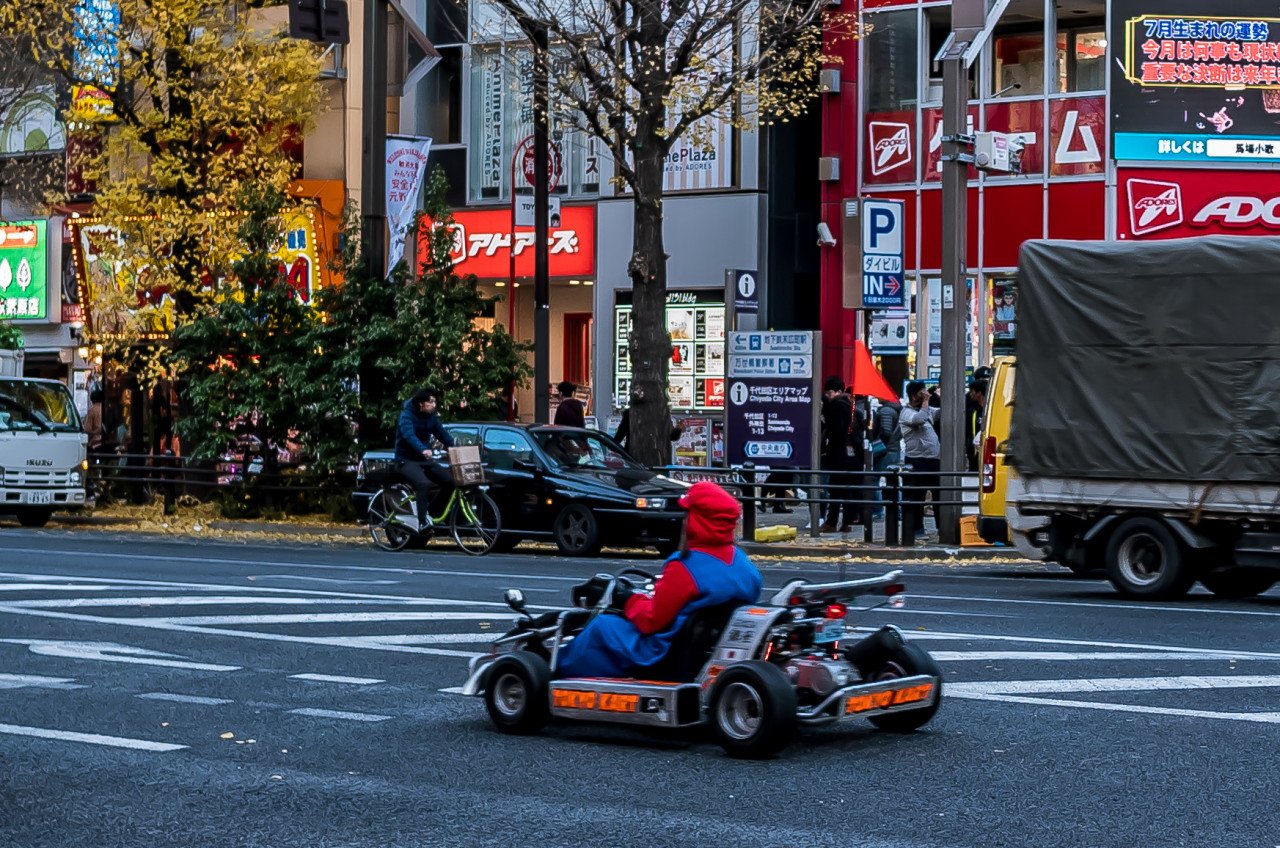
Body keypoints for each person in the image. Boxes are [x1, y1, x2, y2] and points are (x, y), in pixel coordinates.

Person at [555, 481, 763, 679]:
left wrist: (626, 599)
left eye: (686, 514)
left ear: (697, 520)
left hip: (661, 655)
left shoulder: (685, 566)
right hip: (707, 653)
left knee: (602, 626)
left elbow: (651, 621)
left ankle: (557, 672)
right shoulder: (744, 565)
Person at [394, 386, 455, 528]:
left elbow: (442, 435)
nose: (434, 405)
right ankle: (421, 522)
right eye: (431, 402)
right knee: (423, 483)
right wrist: (423, 449)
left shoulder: (430, 418)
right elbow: (409, 436)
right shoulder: (406, 416)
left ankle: (432, 513)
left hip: (423, 460)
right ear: (421, 403)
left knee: (450, 482)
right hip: (405, 460)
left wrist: (454, 446)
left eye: (435, 401)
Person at [900, 381, 941, 538]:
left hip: (933, 460)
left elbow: (940, 413)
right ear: (914, 395)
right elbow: (919, 419)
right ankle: (917, 529)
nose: (925, 395)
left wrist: (938, 397)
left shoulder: (927, 410)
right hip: (917, 460)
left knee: (938, 495)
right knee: (917, 496)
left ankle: (940, 527)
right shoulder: (906, 413)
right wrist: (925, 402)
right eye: (921, 392)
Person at [820, 376, 859, 533]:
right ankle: (847, 522)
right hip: (852, 455)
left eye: (830, 392)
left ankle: (831, 522)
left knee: (835, 489)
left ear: (838, 392)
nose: (828, 396)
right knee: (847, 489)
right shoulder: (851, 406)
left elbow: (836, 431)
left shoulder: (835, 406)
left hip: (838, 454)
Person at [965, 378, 989, 472]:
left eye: (972, 392)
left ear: (979, 393)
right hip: (974, 454)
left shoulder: (990, 410)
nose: (970, 394)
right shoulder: (972, 411)